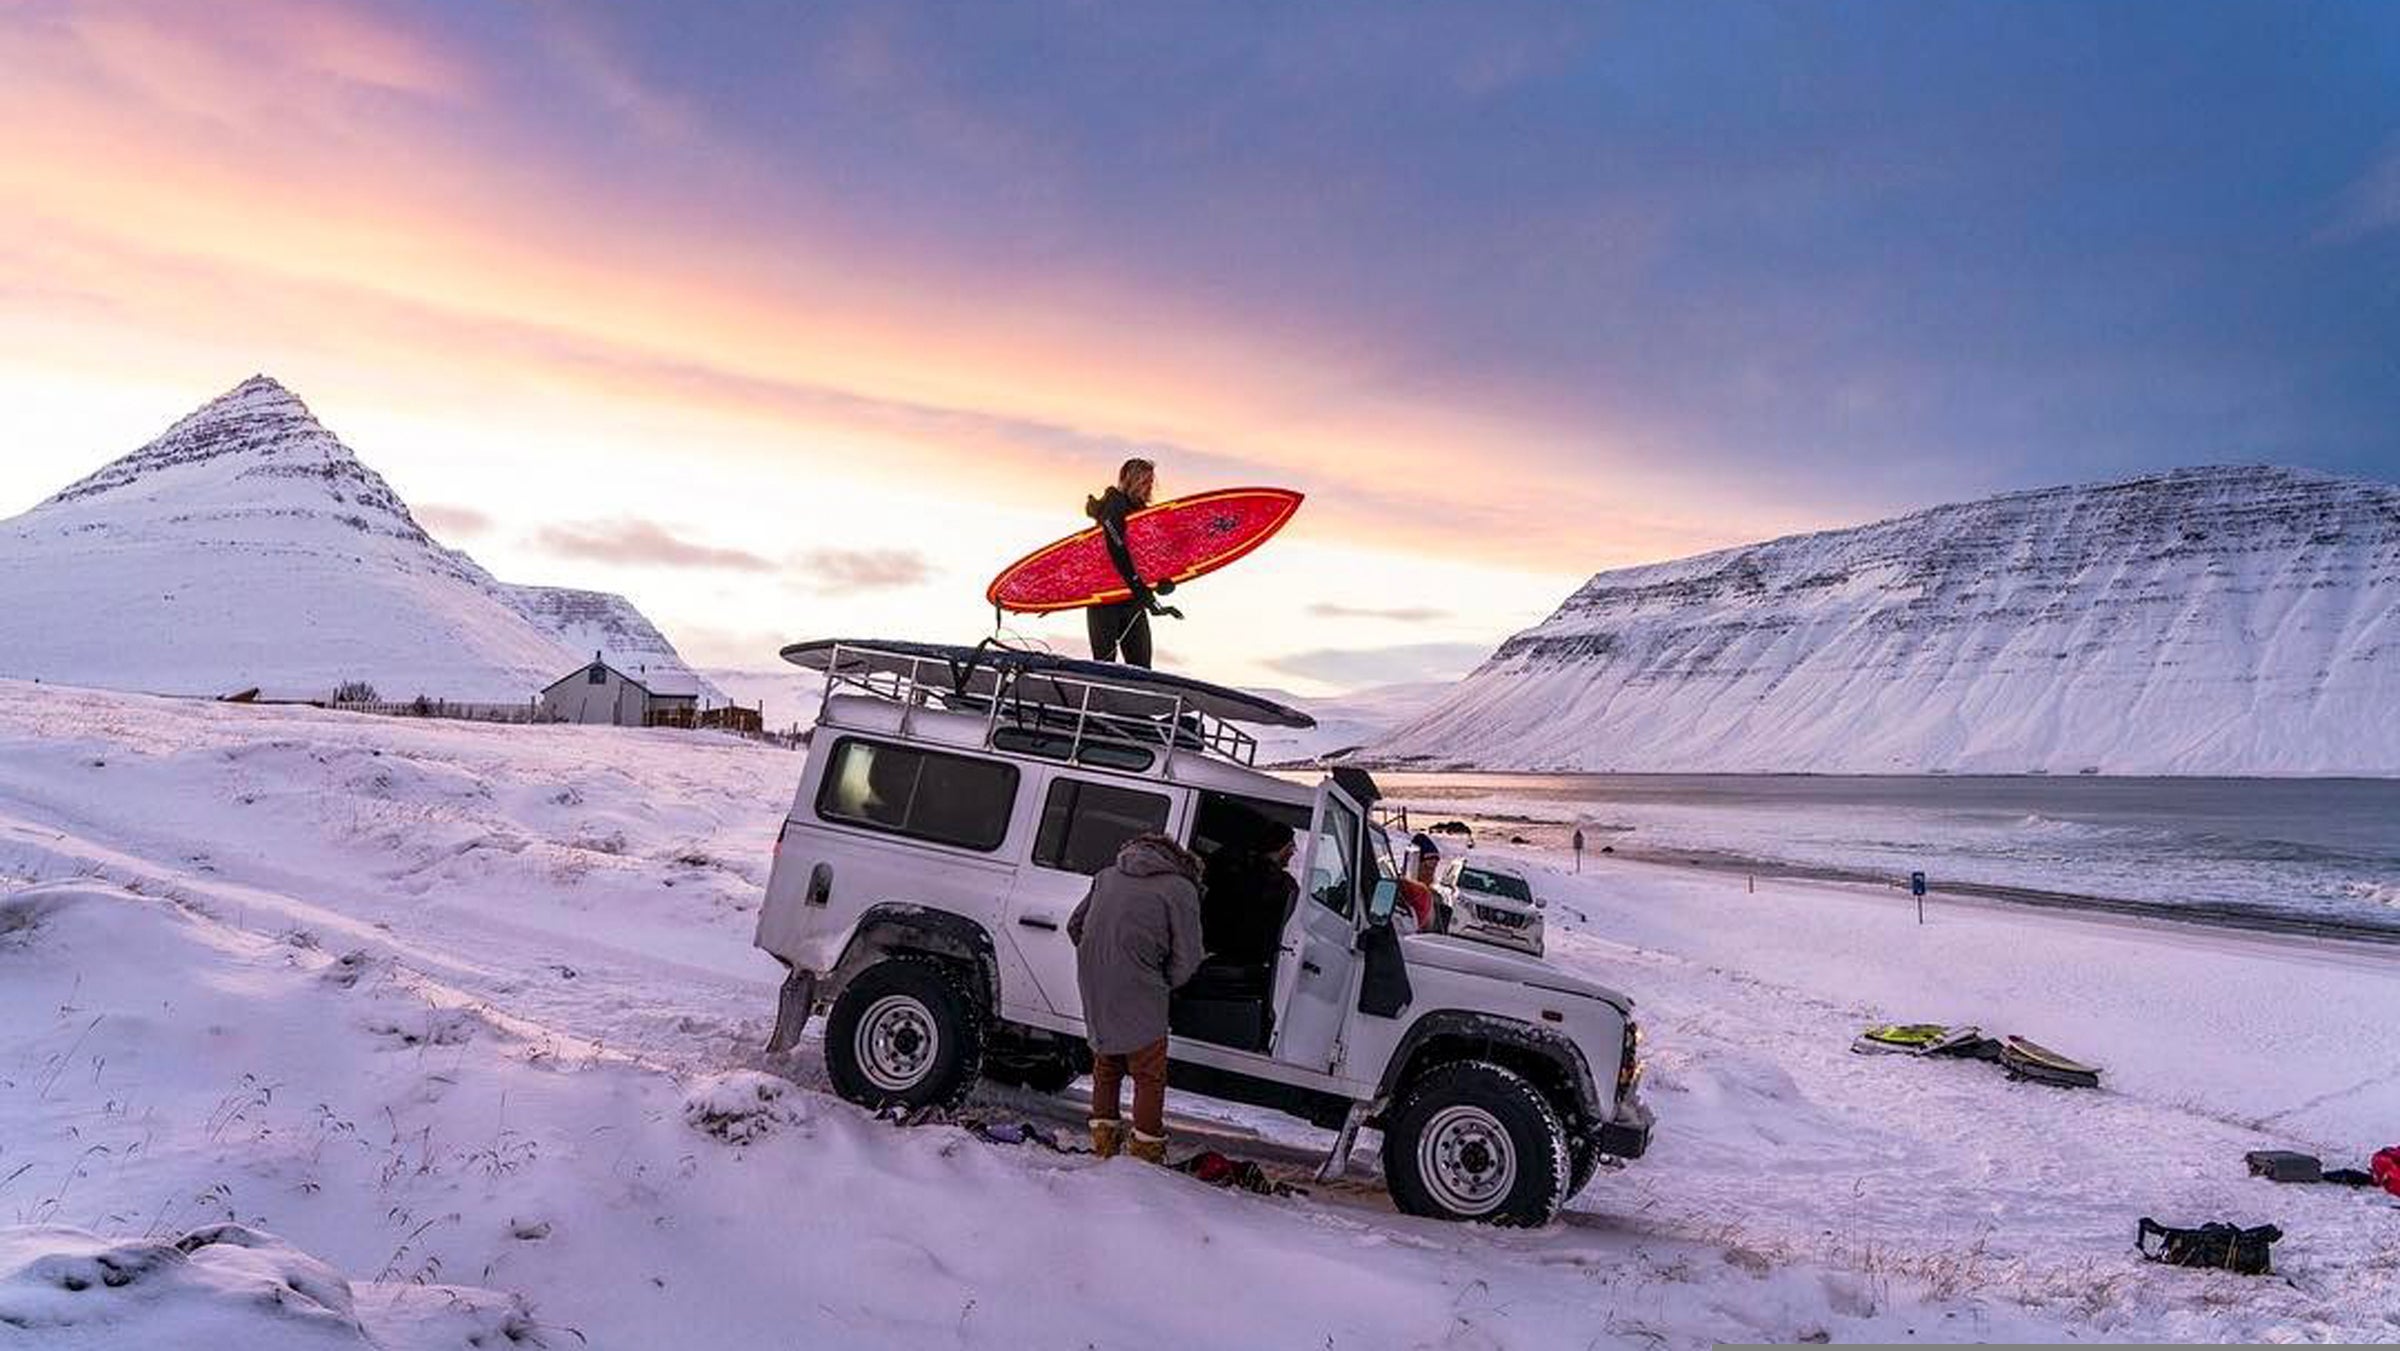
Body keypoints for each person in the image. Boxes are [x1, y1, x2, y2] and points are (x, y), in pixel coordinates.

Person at [1067, 832, 1206, 1163]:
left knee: (1106, 1062)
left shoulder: (1106, 876)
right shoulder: (1180, 888)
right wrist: (1164, 981)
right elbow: (1189, 956)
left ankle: (1104, 1146)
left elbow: (1075, 925)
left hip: (1095, 979)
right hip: (1143, 983)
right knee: (1148, 1072)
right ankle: (1144, 1154)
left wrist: (1101, 958)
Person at [1084, 457, 1174, 667]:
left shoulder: (1143, 513)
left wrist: (1162, 581)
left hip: (1133, 599)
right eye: (1143, 481)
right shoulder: (1114, 503)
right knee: (1105, 667)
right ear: (1127, 479)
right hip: (1105, 599)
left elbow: (1149, 556)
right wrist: (1139, 585)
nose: (1148, 486)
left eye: (1150, 481)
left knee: (1142, 668)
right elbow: (1116, 548)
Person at [1201, 823, 1298, 966]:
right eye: (1291, 846)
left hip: (1210, 951)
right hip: (1246, 962)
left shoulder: (1230, 868)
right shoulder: (1280, 885)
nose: (1293, 851)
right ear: (1283, 848)